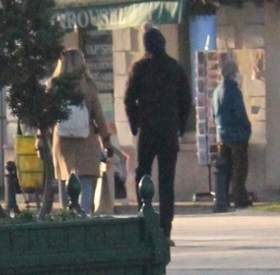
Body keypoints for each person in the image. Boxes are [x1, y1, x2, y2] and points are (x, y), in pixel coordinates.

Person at [122, 25, 189, 240]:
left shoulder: (139, 68)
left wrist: (135, 124)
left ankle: (146, 224)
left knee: (143, 176)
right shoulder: (174, 67)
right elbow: (186, 100)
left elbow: (128, 99)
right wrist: (180, 126)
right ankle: (166, 229)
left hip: (147, 131)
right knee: (167, 183)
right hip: (168, 130)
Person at [49, 48, 112, 213]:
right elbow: (98, 115)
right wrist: (106, 140)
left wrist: (41, 139)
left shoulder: (54, 85)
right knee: (86, 181)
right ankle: (84, 219)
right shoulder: (88, 85)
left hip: (61, 142)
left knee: (65, 179)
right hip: (86, 140)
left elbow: (46, 117)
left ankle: (67, 218)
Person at [213, 53, 252, 212]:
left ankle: (222, 199)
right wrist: (247, 128)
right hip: (237, 136)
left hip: (222, 135)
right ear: (232, 74)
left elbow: (213, 114)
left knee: (224, 169)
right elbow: (239, 113)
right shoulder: (233, 90)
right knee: (239, 168)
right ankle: (239, 198)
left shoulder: (216, 92)